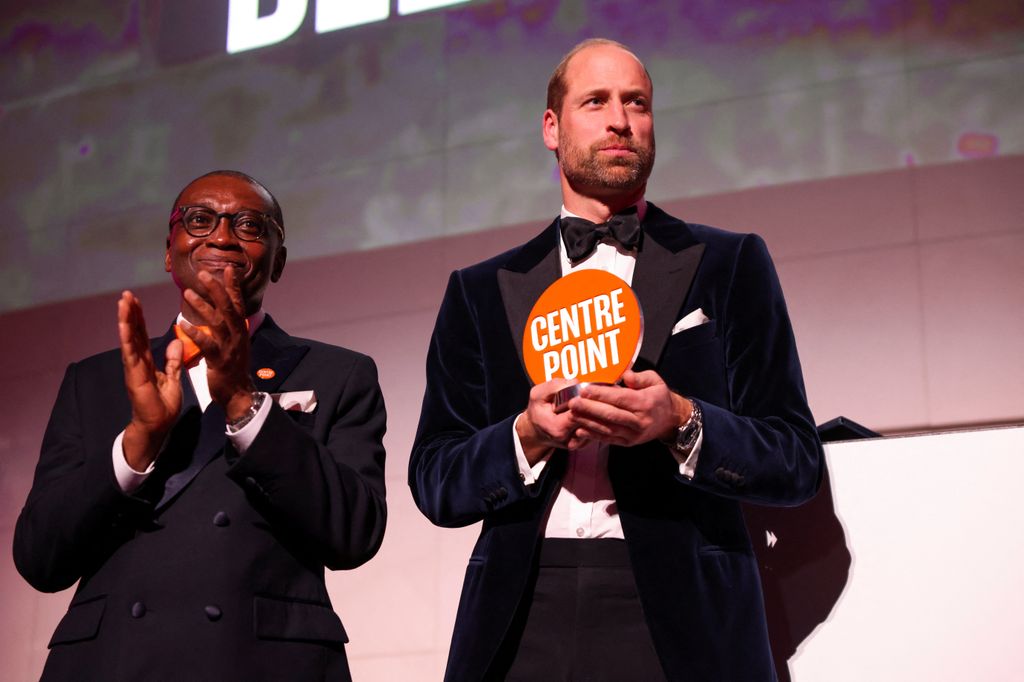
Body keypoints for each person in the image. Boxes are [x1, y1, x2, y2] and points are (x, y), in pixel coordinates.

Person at [409, 39, 823, 681]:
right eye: (595, 101)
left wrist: (682, 421)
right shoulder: (481, 288)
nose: (620, 120)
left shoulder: (730, 263)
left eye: (637, 103)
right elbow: (436, 479)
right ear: (552, 127)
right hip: (522, 609)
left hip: (681, 610)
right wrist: (526, 435)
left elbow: (794, 460)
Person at [14, 170, 387, 681]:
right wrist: (137, 445)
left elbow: (354, 533)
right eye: (199, 219)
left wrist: (242, 401)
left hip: (262, 665)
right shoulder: (95, 380)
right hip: (112, 662)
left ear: (278, 260)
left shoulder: (339, 374)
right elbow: (39, 558)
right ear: (170, 252)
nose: (222, 236)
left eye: (250, 225)